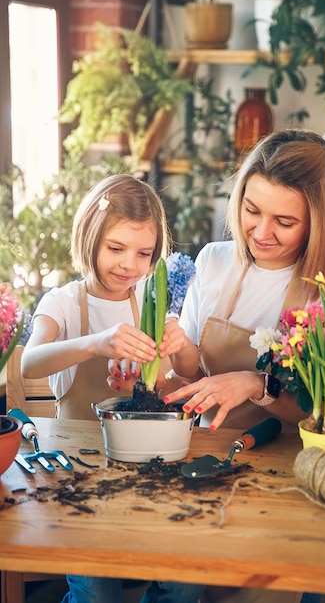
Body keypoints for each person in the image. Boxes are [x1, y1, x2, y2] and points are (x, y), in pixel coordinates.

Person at [108, 130, 325, 603]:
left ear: (320, 220)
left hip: (301, 468)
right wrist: (154, 372)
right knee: (177, 587)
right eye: (251, 211)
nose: (261, 233)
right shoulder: (215, 261)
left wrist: (256, 383)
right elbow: (187, 380)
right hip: (213, 461)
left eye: (285, 221)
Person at [21, 174, 206, 603]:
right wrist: (94, 344)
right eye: (116, 249)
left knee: (185, 582)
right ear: (90, 239)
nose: (130, 265)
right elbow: (31, 362)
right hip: (79, 471)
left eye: (145, 253)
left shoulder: (151, 297)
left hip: (148, 467)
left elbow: (191, 369)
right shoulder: (63, 302)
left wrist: (179, 346)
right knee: (95, 594)